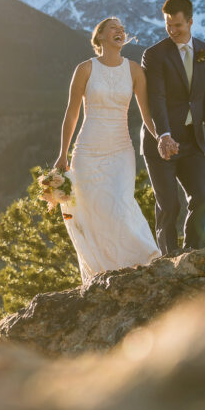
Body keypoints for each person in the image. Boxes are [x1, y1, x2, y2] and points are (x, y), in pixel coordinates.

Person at [54, 17, 161, 285]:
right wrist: (62, 153)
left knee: (122, 203)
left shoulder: (135, 70)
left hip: (121, 148)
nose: (120, 31)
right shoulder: (85, 69)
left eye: (122, 29)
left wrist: (161, 137)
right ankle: (104, 272)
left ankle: (144, 258)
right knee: (92, 210)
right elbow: (72, 112)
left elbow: (147, 113)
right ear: (99, 36)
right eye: (113, 28)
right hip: (88, 149)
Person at [140, 0, 205, 256]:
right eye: (168, 25)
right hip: (161, 141)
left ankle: (190, 254)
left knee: (202, 200)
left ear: (190, 21)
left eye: (178, 25)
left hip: (192, 139)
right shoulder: (154, 55)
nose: (172, 30)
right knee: (169, 206)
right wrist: (163, 135)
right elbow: (156, 98)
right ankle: (168, 259)